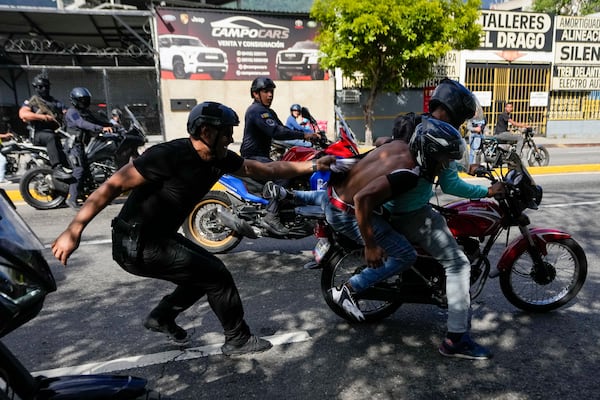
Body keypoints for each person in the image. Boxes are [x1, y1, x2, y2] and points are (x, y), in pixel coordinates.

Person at [51, 101, 336, 356]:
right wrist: (74, 230)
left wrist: (313, 166)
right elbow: (112, 186)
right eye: (226, 132)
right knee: (216, 275)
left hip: (158, 238)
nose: (231, 138)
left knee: (201, 275)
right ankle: (237, 339)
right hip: (137, 244)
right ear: (206, 132)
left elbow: (267, 170)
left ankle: (162, 318)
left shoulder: (220, 157)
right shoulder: (169, 155)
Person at [383, 79, 503, 360]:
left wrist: (467, 165)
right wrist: (488, 190)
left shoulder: (416, 122)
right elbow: (451, 186)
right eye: (461, 117)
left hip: (391, 204)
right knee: (459, 264)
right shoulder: (439, 133)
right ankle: (456, 339)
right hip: (411, 212)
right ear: (454, 112)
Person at [240, 77, 321, 236]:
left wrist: (310, 136)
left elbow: (282, 130)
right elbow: (275, 132)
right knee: (284, 174)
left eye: (271, 91)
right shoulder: (256, 111)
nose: (270, 95)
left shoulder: (268, 112)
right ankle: (271, 215)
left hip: (260, 155)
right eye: (266, 91)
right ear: (256, 94)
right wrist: (305, 136)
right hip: (253, 157)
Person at [64, 87, 113, 210]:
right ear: (75, 100)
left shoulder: (84, 112)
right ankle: (72, 199)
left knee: (88, 167)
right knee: (79, 170)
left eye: (86, 100)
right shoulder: (72, 112)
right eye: (81, 100)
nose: (84, 102)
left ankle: (85, 193)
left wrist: (112, 125)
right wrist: (100, 128)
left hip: (81, 145)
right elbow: (82, 124)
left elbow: (96, 120)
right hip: (73, 146)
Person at [18, 72, 73, 181]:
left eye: (46, 86)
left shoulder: (54, 102)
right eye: (41, 87)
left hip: (56, 133)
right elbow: (23, 114)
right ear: (36, 87)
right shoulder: (33, 102)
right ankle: (57, 168)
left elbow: (67, 111)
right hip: (39, 134)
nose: (44, 89)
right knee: (50, 137)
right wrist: (42, 117)